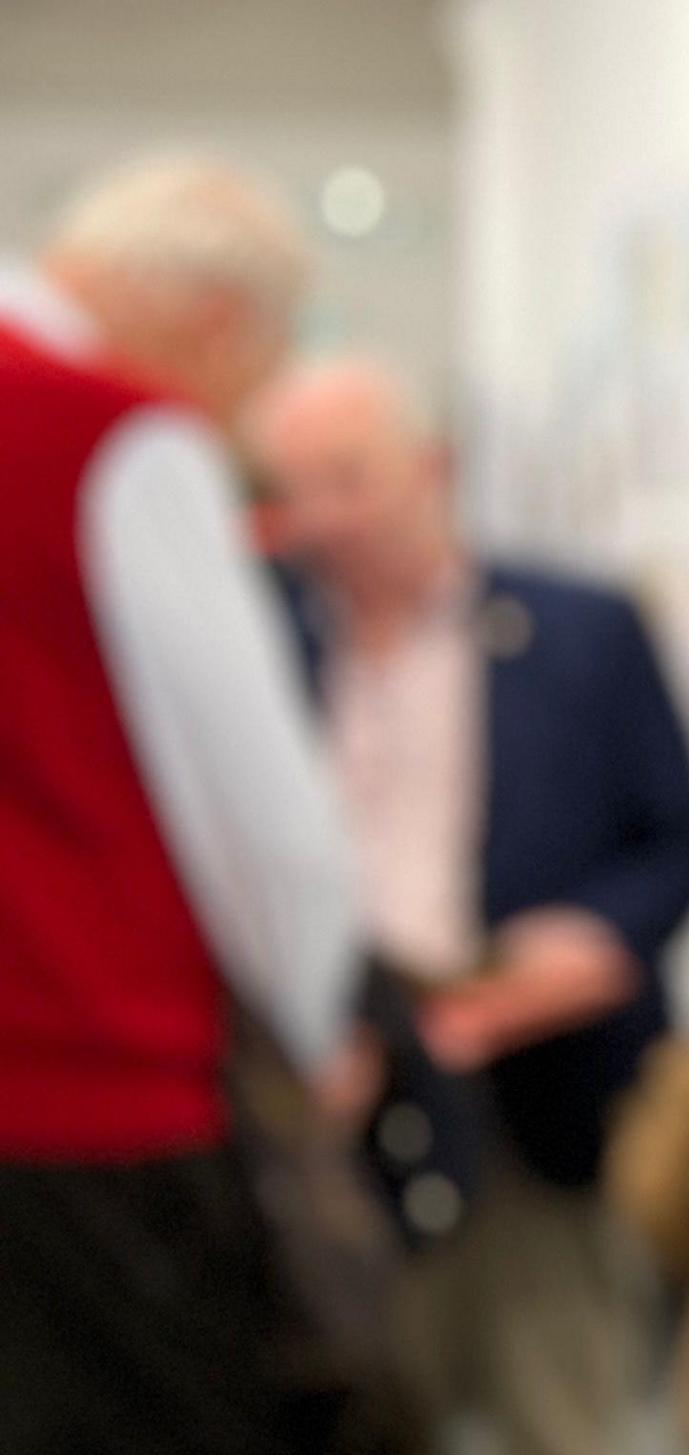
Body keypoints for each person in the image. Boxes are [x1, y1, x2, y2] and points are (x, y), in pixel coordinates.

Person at [249, 356, 689, 1455]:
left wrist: (596, 942)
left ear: (433, 470)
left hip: (538, 1098)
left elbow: (684, 841)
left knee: (561, 1404)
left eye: (348, 478)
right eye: (294, 488)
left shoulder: (580, 629)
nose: (321, 517)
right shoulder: (267, 641)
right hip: (333, 1105)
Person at [0, 156, 365, 1453]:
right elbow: (256, 805)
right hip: (91, 1089)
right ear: (216, 319)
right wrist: (315, 1024)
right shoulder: (111, 431)